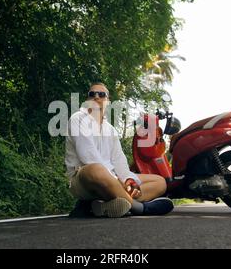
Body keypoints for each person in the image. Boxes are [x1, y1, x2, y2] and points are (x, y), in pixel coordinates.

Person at [65, 82, 174, 218]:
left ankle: (101, 205)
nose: (96, 97)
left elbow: (119, 162)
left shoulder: (110, 130)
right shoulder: (78, 119)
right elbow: (88, 157)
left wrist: (128, 180)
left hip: (112, 180)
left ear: (108, 101)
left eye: (102, 94)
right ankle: (139, 207)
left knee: (160, 182)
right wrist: (118, 181)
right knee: (96, 169)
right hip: (84, 180)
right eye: (92, 94)